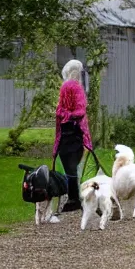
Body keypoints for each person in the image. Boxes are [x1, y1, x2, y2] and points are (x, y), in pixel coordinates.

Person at [53, 78, 93, 212]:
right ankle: (74, 198)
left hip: (70, 143)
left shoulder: (65, 113)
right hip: (71, 143)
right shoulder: (66, 113)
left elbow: (58, 131)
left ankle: (75, 198)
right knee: (72, 171)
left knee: (72, 171)